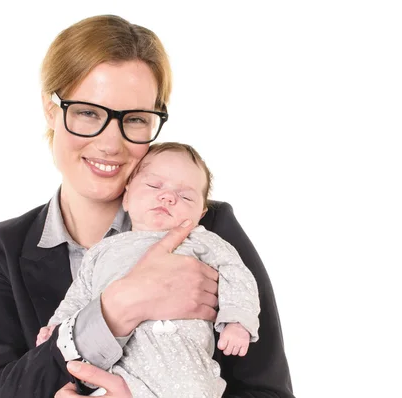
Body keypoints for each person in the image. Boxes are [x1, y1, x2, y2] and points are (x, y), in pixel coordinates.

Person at [0, 14, 294, 398]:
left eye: (134, 119)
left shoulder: (209, 226)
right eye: (88, 112)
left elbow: (267, 392)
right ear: (51, 109)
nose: (109, 143)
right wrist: (115, 309)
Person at [36, 142, 260, 397]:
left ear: (200, 213)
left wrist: (238, 320)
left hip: (185, 370)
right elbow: (79, 295)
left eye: (186, 196)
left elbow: (238, 275)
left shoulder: (202, 241)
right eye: (154, 186)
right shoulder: (103, 250)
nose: (168, 197)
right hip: (118, 369)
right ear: (127, 195)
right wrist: (55, 328)